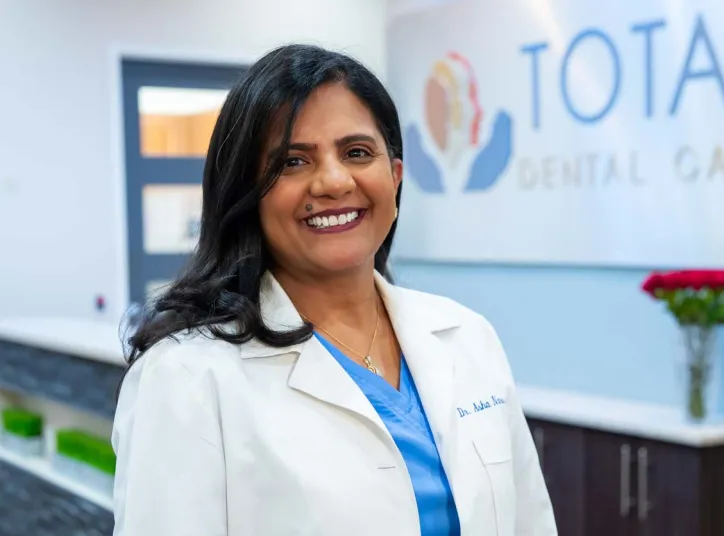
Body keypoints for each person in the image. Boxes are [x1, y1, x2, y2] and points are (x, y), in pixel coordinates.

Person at [112, 44, 557, 536]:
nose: (332, 181)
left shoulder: (468, 337)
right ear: (246, 194)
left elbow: (530, 522)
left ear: (395, 175)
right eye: (292, 162)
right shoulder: (187, 377)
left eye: (357, 152)